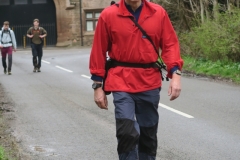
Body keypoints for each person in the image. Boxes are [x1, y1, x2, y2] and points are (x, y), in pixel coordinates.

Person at [89, 0, 183, 159]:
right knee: (127, 132)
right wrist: (97, 85)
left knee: (148, 134)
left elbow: (170, 45)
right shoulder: (108, 15)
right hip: (120, 80)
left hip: (149, 82)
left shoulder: (158, 13)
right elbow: (98, 50)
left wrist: (175, 75)